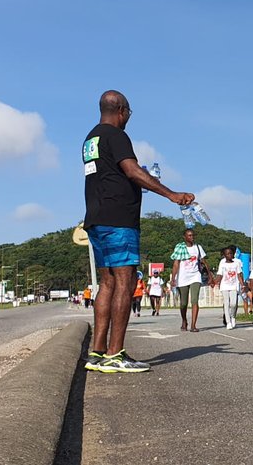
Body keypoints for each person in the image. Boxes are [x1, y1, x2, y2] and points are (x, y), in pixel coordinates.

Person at [81, 89, 194, 373]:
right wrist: (171, 194)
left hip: (96, 218)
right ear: (121, 109)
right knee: (125, 282)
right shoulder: (117, 136)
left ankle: (96, 352)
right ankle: (115, 353)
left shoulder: (90, 139)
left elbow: (114, 173)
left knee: (106, 284)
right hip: (119, 219)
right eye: (128, 112)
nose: (129, 117)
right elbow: (131, 171)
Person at [171, 228, 211, 332]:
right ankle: (184, 320)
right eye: (189, 235)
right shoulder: (180, 248)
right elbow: (176, 264)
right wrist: (173, 278)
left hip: (195, 276)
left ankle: (193, 325)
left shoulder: (198, 247)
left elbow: (204, 262)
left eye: (193, 235)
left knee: (194, 300)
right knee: (183, 303)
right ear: (184, 237)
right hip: (182, 277)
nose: (191, 237)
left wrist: (210, 276)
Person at [213, 246, 245, 330]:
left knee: (233, 304)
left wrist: (242, 285)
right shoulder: (222, 263)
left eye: (231, 253)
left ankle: (233, 316)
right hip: (224, 286)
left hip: (234, 286)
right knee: (226, 304)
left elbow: (239, 275)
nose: (230, 255)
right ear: (224, 255)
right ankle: (228, 322)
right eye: (227, 254)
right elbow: (220, 274)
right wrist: (214, 282)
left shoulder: (236, 263)